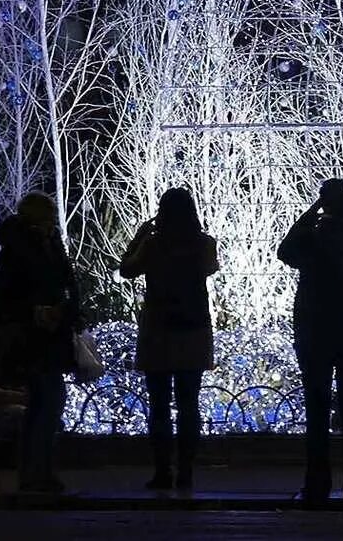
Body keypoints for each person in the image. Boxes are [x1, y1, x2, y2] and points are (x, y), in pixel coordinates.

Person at [277, 177, 343, 504]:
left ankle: (317, 482)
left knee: (317, 406)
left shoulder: (311, 237)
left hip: (314, 328)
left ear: (324, 203)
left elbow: (284, 251)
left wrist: (310, 214)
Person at [119, 187, 218, 493]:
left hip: (158, 330)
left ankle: (162, 471)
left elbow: (126, 270)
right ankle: (186, 470)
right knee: (189, 404)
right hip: (193, 328)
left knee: (159, 404)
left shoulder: (153, 244)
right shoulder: (203, 243)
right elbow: (210, 268)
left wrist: (140, 235)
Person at [0, 191, 79, 495]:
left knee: (43, 403)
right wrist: (39, 311)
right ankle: (37, 472)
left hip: (45, 335)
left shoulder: (42, 245)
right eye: (49, 217)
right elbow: (5, 297)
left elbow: (64, 283)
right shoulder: (24, 250)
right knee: (48, 402)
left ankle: (34, 472)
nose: (52, 223)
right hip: (35, 338)